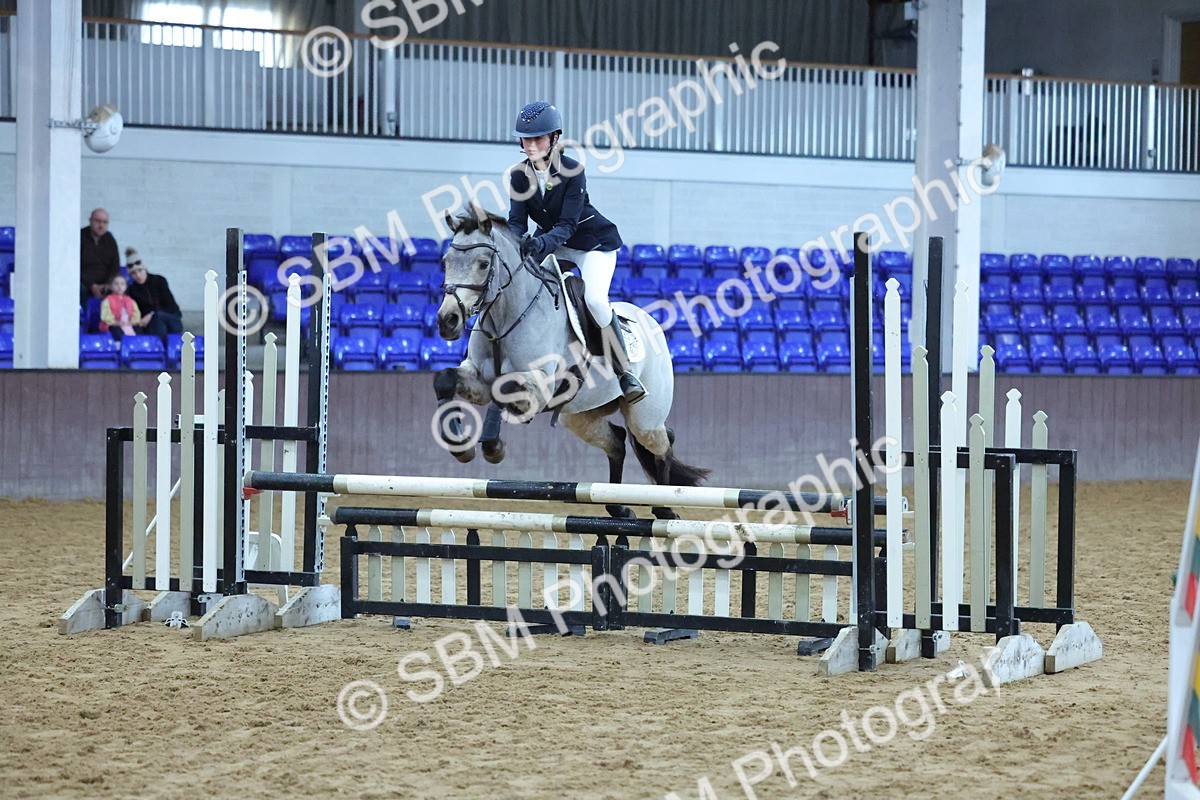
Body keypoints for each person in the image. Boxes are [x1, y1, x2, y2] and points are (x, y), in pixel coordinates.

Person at [506, 101, 646, 405]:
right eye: (525, 139)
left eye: (537, 139)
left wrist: (540, 244)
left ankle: (624, 373)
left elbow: (568, 225)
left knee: (595, 300)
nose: (530, 145)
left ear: (555, 138)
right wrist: (515, 247)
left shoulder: (572, 171)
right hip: (552, 242)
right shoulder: (518, 175)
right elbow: (516, 222)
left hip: (591, 244)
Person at [124, 247, 184, 342]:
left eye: (140, 271)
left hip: (171, 319)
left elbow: (170, 306)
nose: (138, 276)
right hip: (151, 325)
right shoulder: (132, 290)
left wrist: (152, 314)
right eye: (134, 273)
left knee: (158, 316)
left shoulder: (159, 280)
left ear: (145, 269)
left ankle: (161, 346)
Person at [80, 208, 120, 302]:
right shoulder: (79, 236)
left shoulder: (110, 240)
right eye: (98, 221)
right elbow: (73, 267)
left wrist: (107, 284)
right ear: (90, 221)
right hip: (84, 284)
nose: (101, 225)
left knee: (122, 289)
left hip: (105, 284)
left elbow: (115, 267)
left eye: (105, 222)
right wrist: (92, 286)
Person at [99, 274, 140, 340]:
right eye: (116, 284)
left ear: (126, 287)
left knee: (138, 329)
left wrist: (131, 322)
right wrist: (116, 323)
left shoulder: (131, 301)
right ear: (111, 287)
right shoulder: (107, 300)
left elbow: (136, 314)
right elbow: (105, 316)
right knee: (116, 329)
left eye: (122, 284)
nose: (119, 286)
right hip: (113, 325)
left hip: (128, 324)